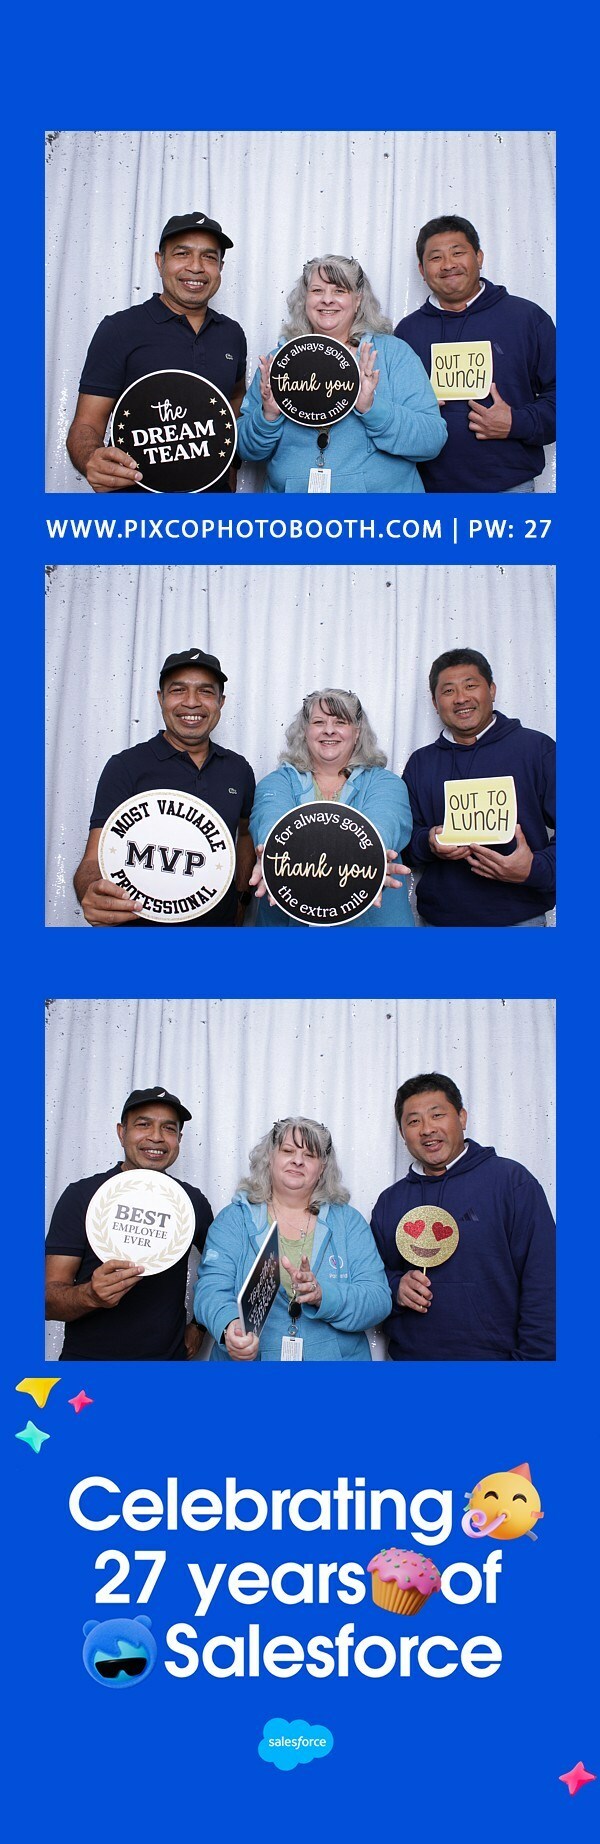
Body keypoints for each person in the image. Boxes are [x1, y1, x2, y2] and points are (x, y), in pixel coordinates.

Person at [370, 1073, 555, 1361]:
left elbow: (545, 1279)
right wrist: (396, 1287)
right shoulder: (390, 1202)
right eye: (414, 1121)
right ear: (402, 1133)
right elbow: (371, 1278)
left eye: (437, 1115)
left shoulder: (510, 1182)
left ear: (462, 1117)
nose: (427, 1129)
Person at [73, 648, 256, 927]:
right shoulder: (126, 766)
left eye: (206, 692)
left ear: (221, 702)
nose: (191, 702)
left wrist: (241, 900)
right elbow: (93, 860)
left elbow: (244, 833)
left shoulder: (238, 769)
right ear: (161, 699)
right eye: (178, 690)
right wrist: (91, 891)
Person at [66, 213, 246, 492]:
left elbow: (234, 400)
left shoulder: (232, 334)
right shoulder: (119, 329)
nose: (196, 267)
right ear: (160, 261)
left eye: (209, 257)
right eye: (182, 254)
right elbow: (86, 424)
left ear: (220, 267)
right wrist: (91, 457)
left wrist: (230, 473)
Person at [236, 255, 446, 492]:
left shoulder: (392, 354)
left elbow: (431, 440)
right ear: (305, 299)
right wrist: (268, 416)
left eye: (339, 290)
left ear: (358, 300)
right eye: (317, 290)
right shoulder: (279, 361)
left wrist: (371, 408)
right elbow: (245, 449)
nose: (327, 299)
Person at [195, 1117, 391, 1361]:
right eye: (288, 1151)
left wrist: (322, 1295)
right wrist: (230, 1327)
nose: (298, 1160)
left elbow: (378, 1300)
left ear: (323, 1167)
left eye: (310, 1155)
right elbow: (210, 1289)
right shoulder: (234, 1219)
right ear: (269, 1158)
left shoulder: (348, 1222)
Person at [45, 1087, 213, 1361]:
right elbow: (47, 1300)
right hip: (88, 1368)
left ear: (179, 1139)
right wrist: (90, 1295)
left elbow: (223, 1269)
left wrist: (200, 1326)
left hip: (167, 1366)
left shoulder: (191, 1201)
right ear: (121, 1133)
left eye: (168, 1128)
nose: (156, 1137)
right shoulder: (82, 1196)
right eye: (143, 1124)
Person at [394, 215, 556, 492]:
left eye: (458, 253)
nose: (448, 264)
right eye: (436, 257)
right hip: (425, 490)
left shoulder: (526, 318)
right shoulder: (407, 332)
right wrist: (416, 408)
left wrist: (516, 423)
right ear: (422, 269)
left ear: (479, 257)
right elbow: (391, 410)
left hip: (509, 490)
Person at [402, 648, 555, 927]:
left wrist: (534, 868)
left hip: (520, 923)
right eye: (448, 691)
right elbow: (404, 843)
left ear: (492, 690)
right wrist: (429, 842)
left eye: (470, 686)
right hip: (439, 924)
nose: (461, 698)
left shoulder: (537, 749)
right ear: (435, 703)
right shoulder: (421, 763)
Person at [249, 689, 414, 928]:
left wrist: (373, 856)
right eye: (318, 722)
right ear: (305, 731)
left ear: (357, 732)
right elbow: (270, 825)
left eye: (340, 722)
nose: (329, 730)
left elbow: (382, 829)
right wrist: (270, 853)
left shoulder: (387, 784)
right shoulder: (277, 782)